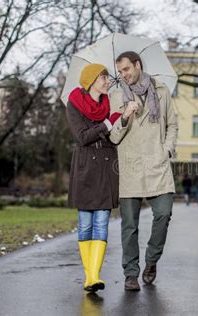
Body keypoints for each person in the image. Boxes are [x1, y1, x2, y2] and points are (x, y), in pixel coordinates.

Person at [109, 51, 178, 291]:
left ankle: (151, 260)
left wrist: (167, 149)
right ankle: (130, 273)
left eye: (126, 69)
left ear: (137, 65)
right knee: (129, 225)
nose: (123, 75)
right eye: (119, 72)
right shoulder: (116, 96)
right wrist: (125, 116)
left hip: (157, 164)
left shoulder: (161, 91)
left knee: (163, 213)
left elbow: (172, 124)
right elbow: (113, 136)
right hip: (129, 166)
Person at [66, 63, 121, 292]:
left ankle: (94, 276)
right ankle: (90, 276)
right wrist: (109, 122)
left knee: (101, 222)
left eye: (108, 78)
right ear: (90, 81)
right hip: (85, 165)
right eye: (103, 78)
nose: (108, 82)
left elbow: (116, 136)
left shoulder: (111, 103)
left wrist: (122, 118)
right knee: (85, 223)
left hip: (107, 164)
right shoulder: (74, 103)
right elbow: (82, 137)